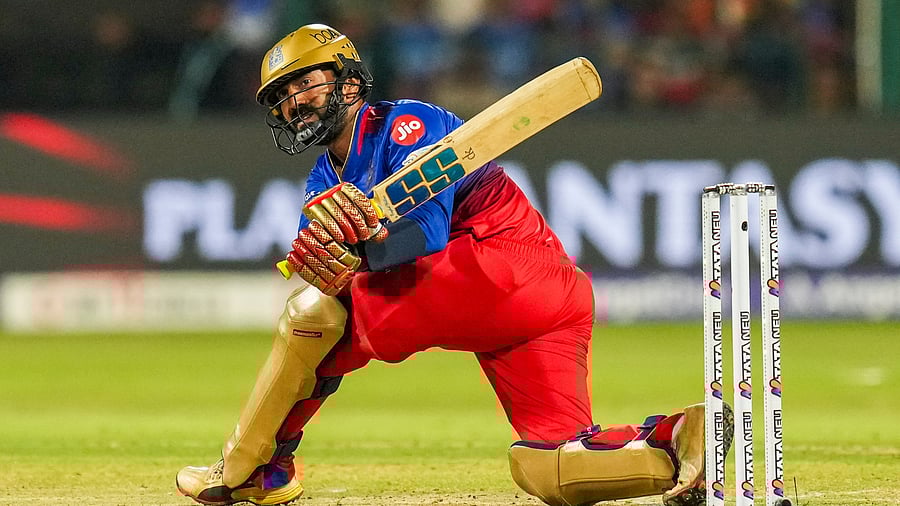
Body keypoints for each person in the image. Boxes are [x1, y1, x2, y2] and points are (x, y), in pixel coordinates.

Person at [175, 23, 731, 506]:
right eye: (282, 94)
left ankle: (252, 469)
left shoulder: (406, 123)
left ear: (347, 81)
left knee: (314, 314)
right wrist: (325, 253)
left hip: (506, 266)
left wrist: (353, 253)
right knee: (549, 468)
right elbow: (325, 257)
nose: (294, 101)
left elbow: (423, 234)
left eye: (303, 82)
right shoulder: (325, 179)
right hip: (527, 307)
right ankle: (680, 439)